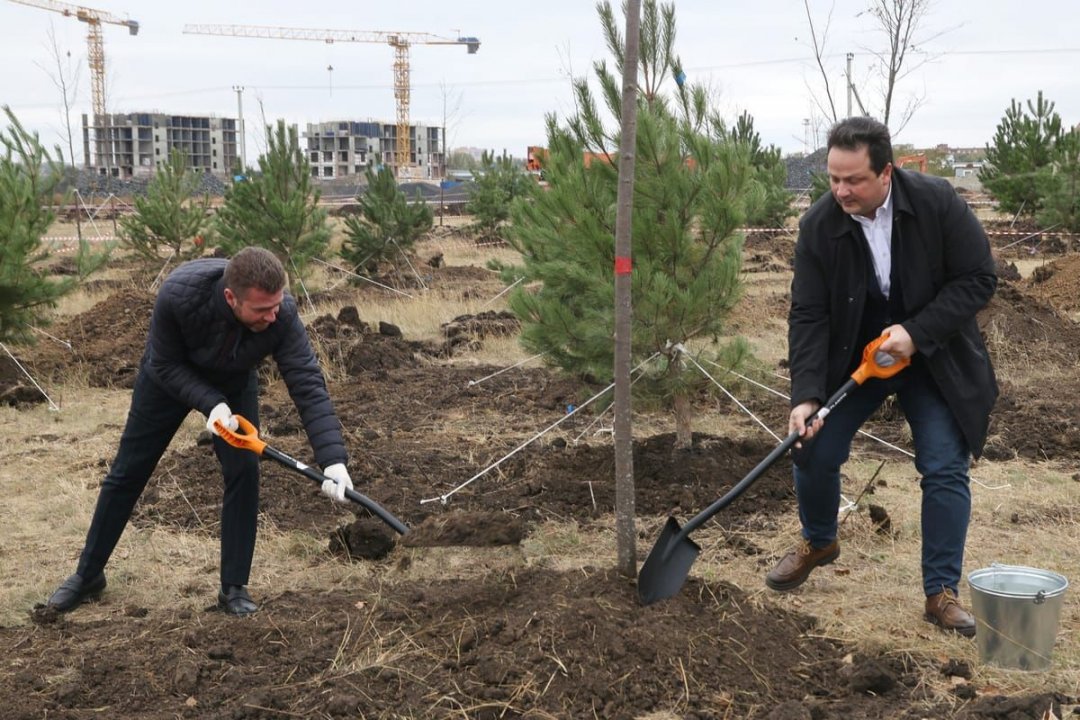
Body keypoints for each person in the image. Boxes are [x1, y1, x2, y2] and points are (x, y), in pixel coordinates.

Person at [766, 117, 997, 637]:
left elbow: (979, 277)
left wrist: (916, 333)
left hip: (931, 357)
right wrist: (805, 396)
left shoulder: (937, 203)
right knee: (812, 449)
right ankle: (820, 539)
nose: (841, 191)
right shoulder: (819, 226)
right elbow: (807, 314)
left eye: (854, 180)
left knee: (944, 466)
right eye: (833, 179)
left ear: (886, 172)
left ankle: (940, 592)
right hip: (856, 359)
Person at [47, 247, 355, 616]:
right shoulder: (178, 295)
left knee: (243, 471)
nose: (273, 316)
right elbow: (162, 362)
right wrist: (210, 403)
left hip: (233, 383)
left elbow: (307, 382)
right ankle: (88, 575)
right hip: (167, 378)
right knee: (128, 472)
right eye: (261, 310)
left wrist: (333, 459)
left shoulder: (281, 313)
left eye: (276, 305)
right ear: (231, 297)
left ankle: (233, 589)